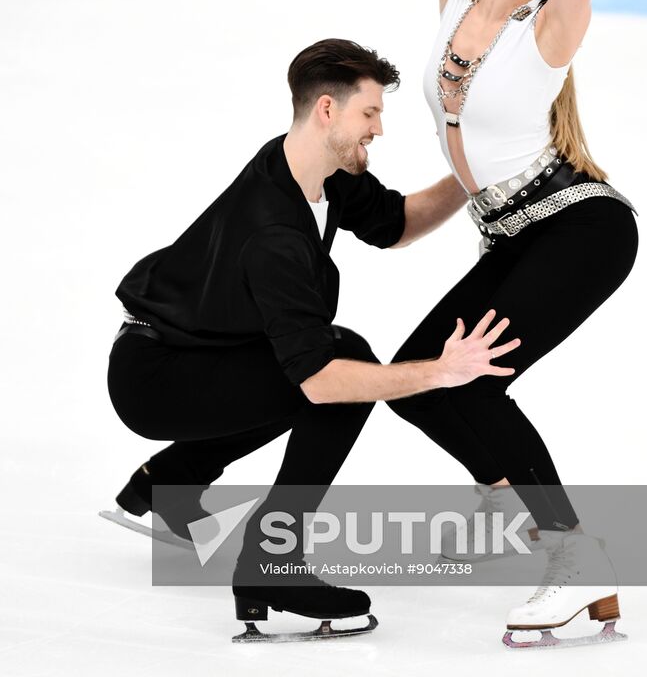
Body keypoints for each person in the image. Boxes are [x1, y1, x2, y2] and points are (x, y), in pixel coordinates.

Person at [105, 38, 521, 642]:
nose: (379, 129)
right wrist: (439, 371)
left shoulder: (313, 168)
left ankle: (171, 481)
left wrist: (469, 173)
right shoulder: (272, 233)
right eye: (370, 113)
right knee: (337, 366)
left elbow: (397, 224)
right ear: (328, 109)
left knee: (321, 356)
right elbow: (323, 381)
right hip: (158, 376)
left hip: (194, 351)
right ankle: (272, 559)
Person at [386, 0, 638, 648]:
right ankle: (566, 549)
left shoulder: (550, 30)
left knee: (475, 385)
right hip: (510, 233)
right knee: (419, 384)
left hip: (578, 228)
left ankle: (572, 557)